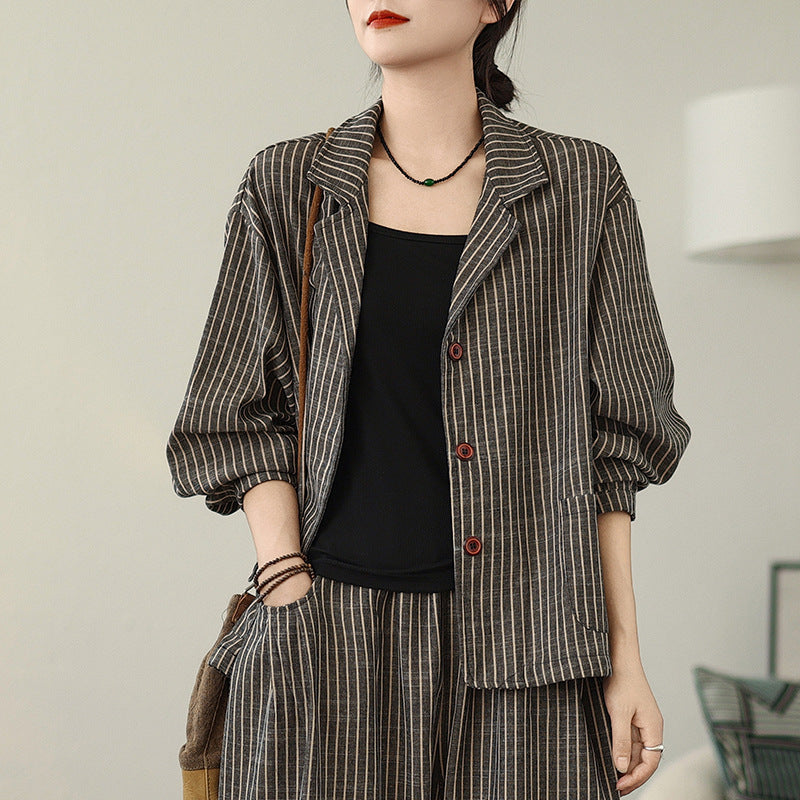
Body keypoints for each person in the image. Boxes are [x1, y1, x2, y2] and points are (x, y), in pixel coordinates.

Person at [166, 1, 692, 798]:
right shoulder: (289, 184)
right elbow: (232, 410)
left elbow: (614, 447)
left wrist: (626, 658)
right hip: (326, 640)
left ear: (495, 4)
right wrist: (285, 580)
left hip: (534, 655)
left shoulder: (581, 187)